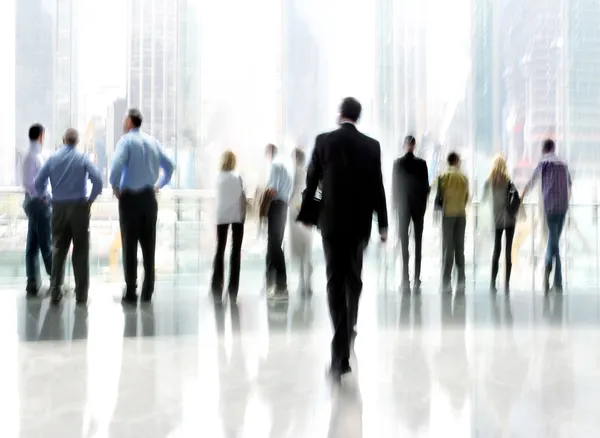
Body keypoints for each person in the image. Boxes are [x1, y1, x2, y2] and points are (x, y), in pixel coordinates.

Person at [299, 97, 388, 379]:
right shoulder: (371, 146)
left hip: (332, 224)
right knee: (354, 278)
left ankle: (340, 354)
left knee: (334, 281)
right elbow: (378, 187)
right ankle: (349, 327)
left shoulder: (324, 141)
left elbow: (312, 182)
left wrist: (308, 215)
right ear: (358, 116)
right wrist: (383, 224)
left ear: (340, 114)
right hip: (359, 226)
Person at [110, 108, 175, 304]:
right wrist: (160, 184)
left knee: (129, 246)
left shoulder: (126, 141)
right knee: (149, 245)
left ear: (130, 121)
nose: (123, 122)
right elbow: (170, 165)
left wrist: (115, 186)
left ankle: (131, 291)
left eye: (124, 119)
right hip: (149, 198)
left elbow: (115, 168)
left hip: (130, 200)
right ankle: (148, 291)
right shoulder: (153, 141)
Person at [34, 128, 103, 304]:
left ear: (63, 140)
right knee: (80, 251)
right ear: (77, 142)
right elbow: (98, 180)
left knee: (58, 249)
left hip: (58, 208)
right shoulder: (83, 158)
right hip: (80, 208)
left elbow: (38, 182)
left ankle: (56, 291)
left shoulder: (52, 158)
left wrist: (47, 198)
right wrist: (90, 199)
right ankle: (81, 295)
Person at [522, 139, 571, 293]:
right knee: (554, 241)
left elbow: (532, 182)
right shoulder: (563, 165)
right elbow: (570, 185)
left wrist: (521, 197)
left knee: (553, 241)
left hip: (549, 207)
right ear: (553, 148)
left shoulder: (543, 164)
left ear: (544, 150)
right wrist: (566, 202)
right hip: (562, 207)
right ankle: (558, 281)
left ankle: (547, 268)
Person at [392, 135, 429, 293]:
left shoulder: (398, 164)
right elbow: (425, 188)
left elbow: (395, 187)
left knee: (404, 244)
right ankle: (416, 277)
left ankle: (405, 277)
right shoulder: (422, 164)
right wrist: (423, 207)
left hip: (403, 208)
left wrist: (395, 207)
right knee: (418, 243)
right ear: (414, 146)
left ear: (404, 145)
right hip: (417, 208)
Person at [22, 123, 52, 297]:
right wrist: (43, 198)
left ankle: (33, 282)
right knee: (45, 244)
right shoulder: (32, 157)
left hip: (38, 203)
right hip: (38, 204)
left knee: (33, 244)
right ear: (41, 136)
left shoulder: (37, 155)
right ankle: (56, 280)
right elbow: (30, 184)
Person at [211, 150, 245, 302]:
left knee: (220, 249)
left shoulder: (217, 177)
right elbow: (243, 195)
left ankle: (216, 285)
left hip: (221, 216)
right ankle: (233, 288)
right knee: (235, 251)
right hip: (237, 216)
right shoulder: (238, 177)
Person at [482, 155, 517, 293]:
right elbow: (515, 197)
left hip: (497, 220)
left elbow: (483, 200)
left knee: (496, 251)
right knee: (508, 251)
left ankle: (492, 283)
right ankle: (507, 283)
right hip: (510, 220)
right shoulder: (508, 181)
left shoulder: (489, 181)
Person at [436, 152, 469, 294]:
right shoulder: (464, 178)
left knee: (447, 249)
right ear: (456, 161)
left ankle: (446, 283)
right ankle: (461, 281)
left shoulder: (443, 177)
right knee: (460, 249)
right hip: (461, 215)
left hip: (448, 215)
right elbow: (466, 197)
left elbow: (439, 197)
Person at [264, 143, 293, 300]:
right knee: (274, 243)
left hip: (275, 206)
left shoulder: (274, 166)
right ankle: (270, 281)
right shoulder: (285, 167)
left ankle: (281, 283)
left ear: (269, 152)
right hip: (283, 206)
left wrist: (262, 197)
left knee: (274, 245)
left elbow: (272, 189)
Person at [288, 148, 313, 296]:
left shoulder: (295, 173)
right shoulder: (308, 172)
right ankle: (307, 282)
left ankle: (302, 281)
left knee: (298, 247)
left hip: (295, 209)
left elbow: (290, 191)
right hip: (306, 208)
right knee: (306, 246)